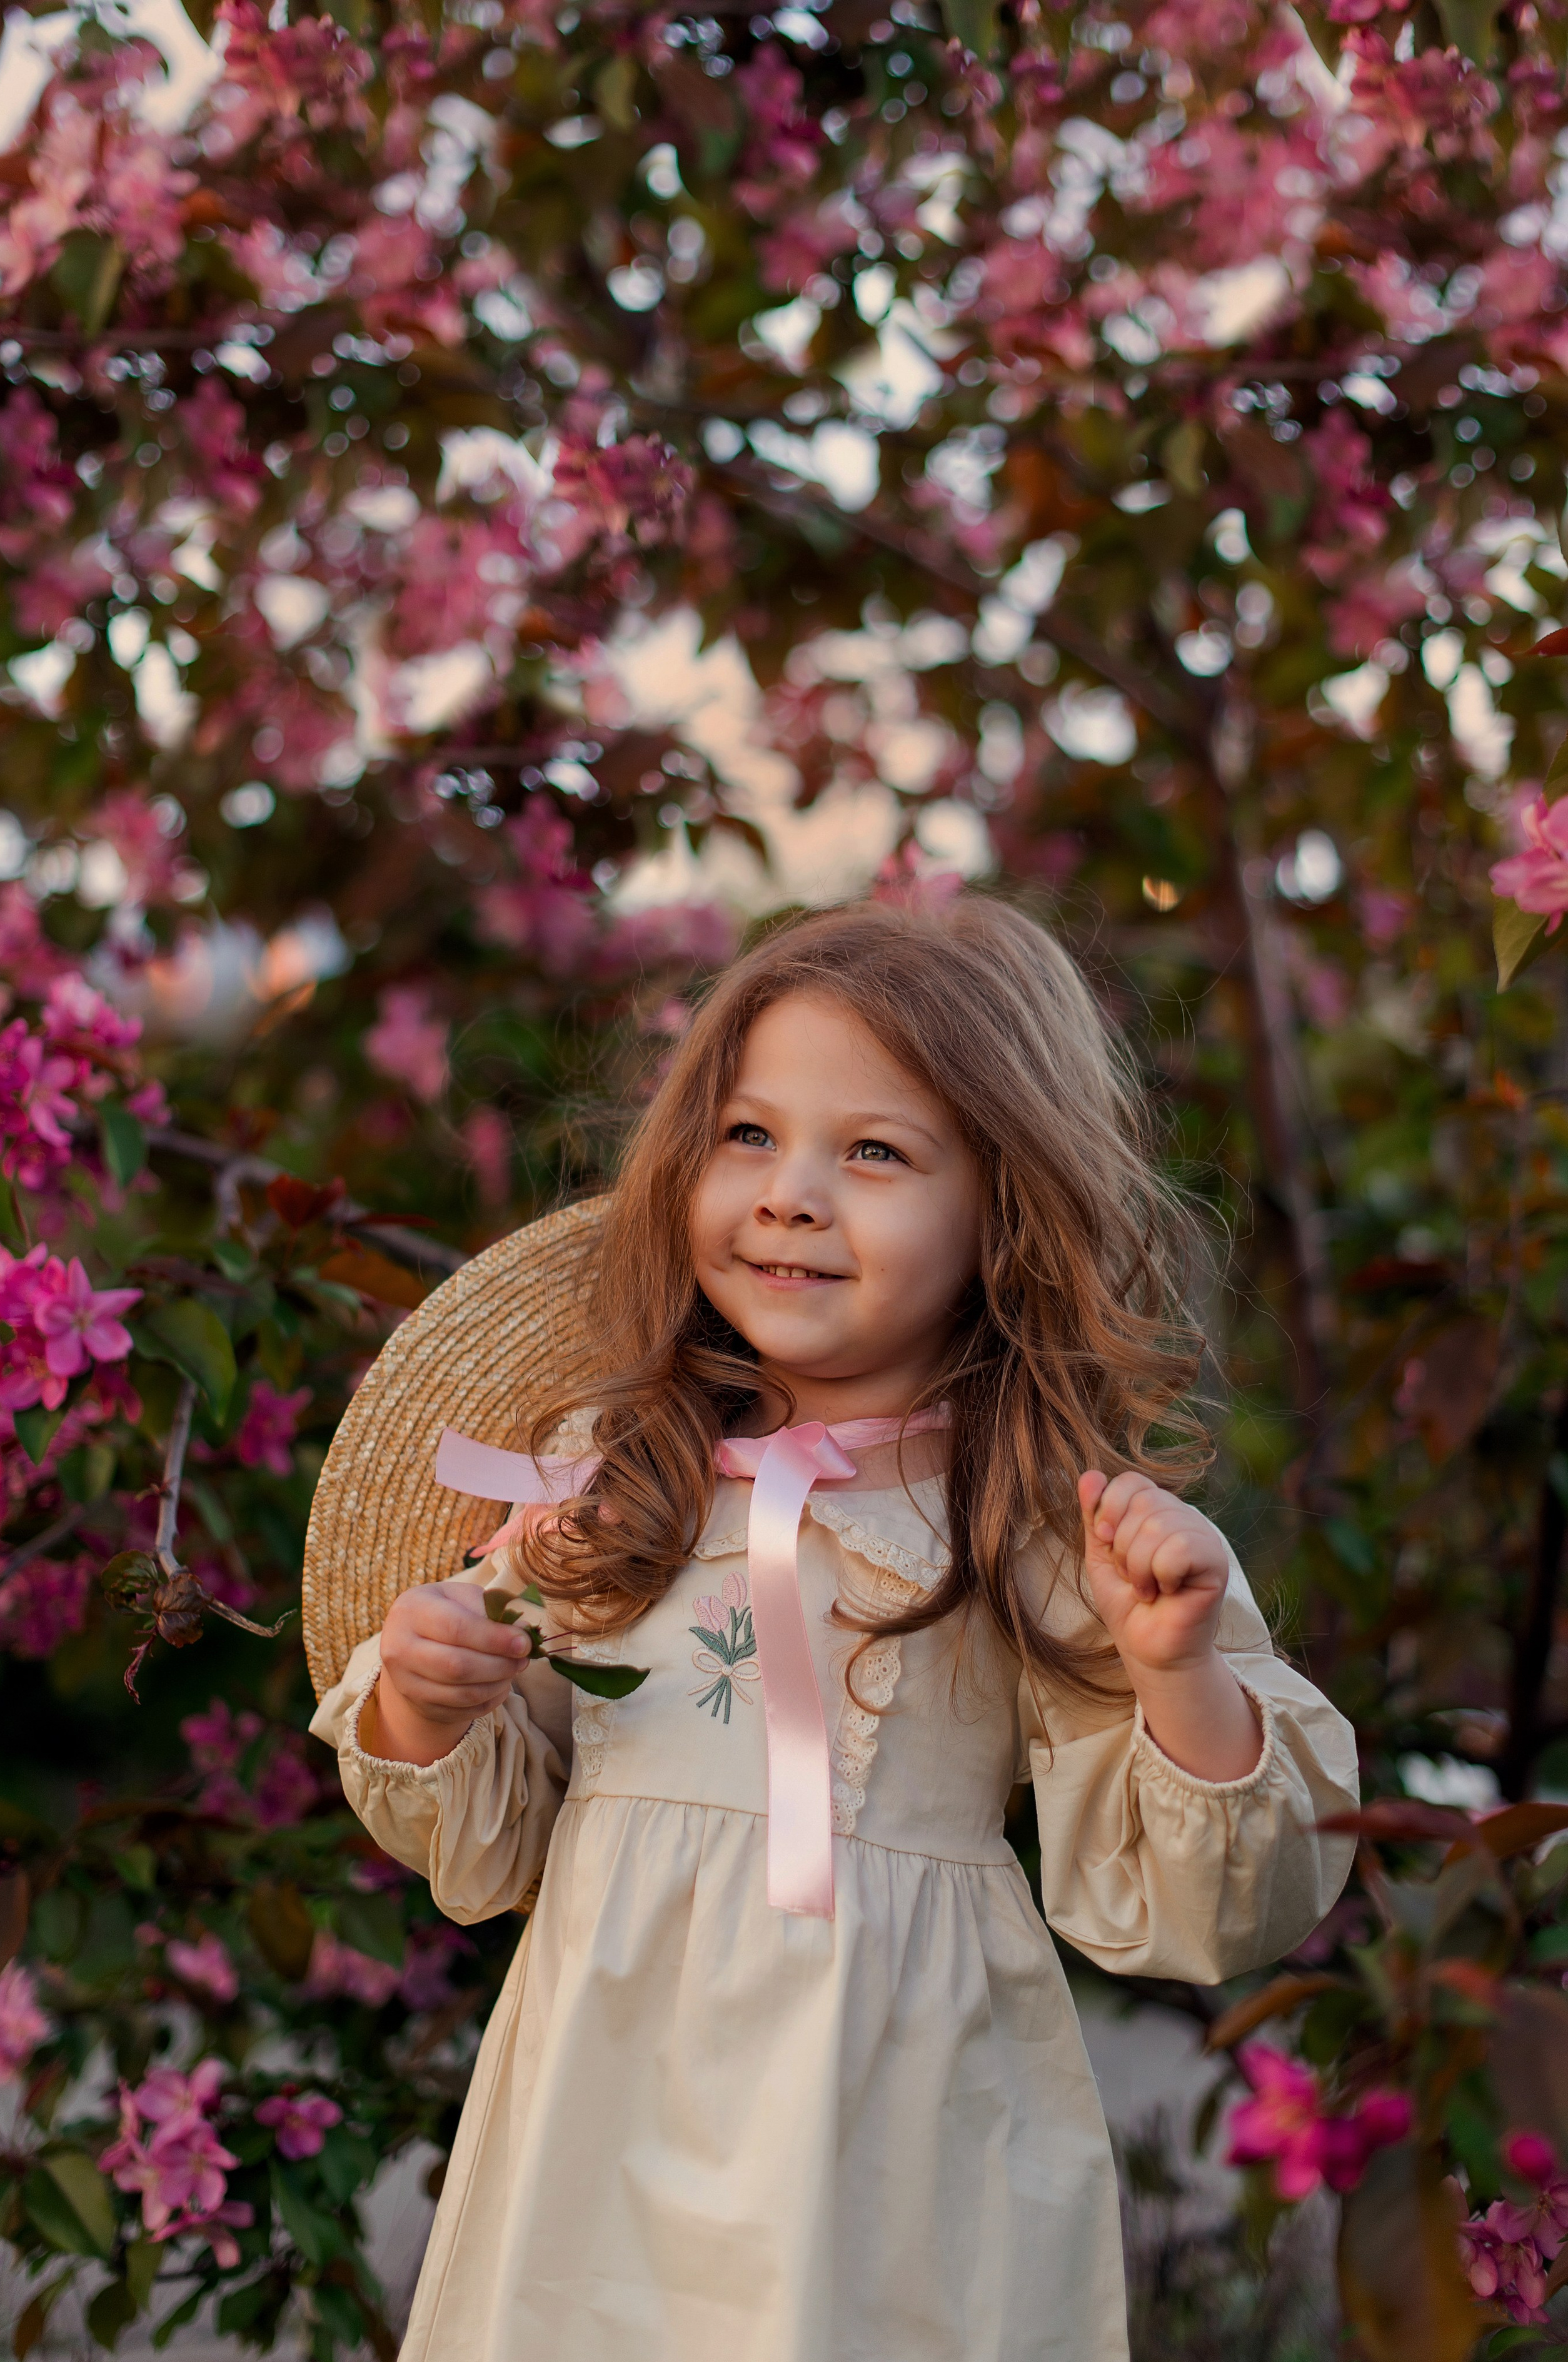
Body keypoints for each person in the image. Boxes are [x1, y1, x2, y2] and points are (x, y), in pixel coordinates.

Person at [306, 897, 1358, 2362]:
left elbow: (1207, 1905)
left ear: (1002, 1205)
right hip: (610, 2111)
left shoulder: (1035, 1514)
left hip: (892, 2133)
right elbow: (485, 1843)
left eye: (872, 1151)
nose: (791, 1192)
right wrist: (430, 1692)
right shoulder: (613, 1464)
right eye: (746, 1133)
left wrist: (1176, 1668)